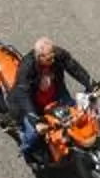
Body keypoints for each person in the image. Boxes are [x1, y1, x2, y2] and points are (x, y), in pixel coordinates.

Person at [10, 36, 92, 164]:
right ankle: (25, 151)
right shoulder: (27, 67)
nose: (53, 59)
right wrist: (35, 120)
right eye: (49, 58)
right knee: (33, 135)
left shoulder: (56, 55)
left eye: (53, 55)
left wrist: (90, 83)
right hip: (33, 105)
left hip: (57, 96)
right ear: (39, 57)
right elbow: (22, 94)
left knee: (77, 115)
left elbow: (73, 67)